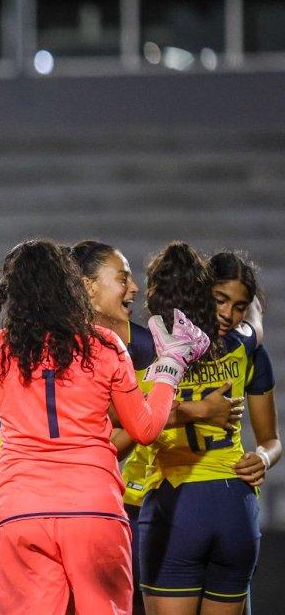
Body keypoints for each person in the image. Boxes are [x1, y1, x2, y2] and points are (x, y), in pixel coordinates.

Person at [0, 239, 210, 615]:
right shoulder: (106, 345)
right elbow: (144, 429)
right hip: (95, 511)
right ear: (71, 286)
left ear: (13, 292)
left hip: (20, 513)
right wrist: (170, 367)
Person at [138, 245, 277, 615]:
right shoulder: (247, 346)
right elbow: (254, 330)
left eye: (238, 306)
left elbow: (136, 422)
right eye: (220, 300)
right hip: (236, 507)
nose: (228, 314)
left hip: (176, 502)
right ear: (202, 291)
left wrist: (262, 457)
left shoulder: (154, 346)